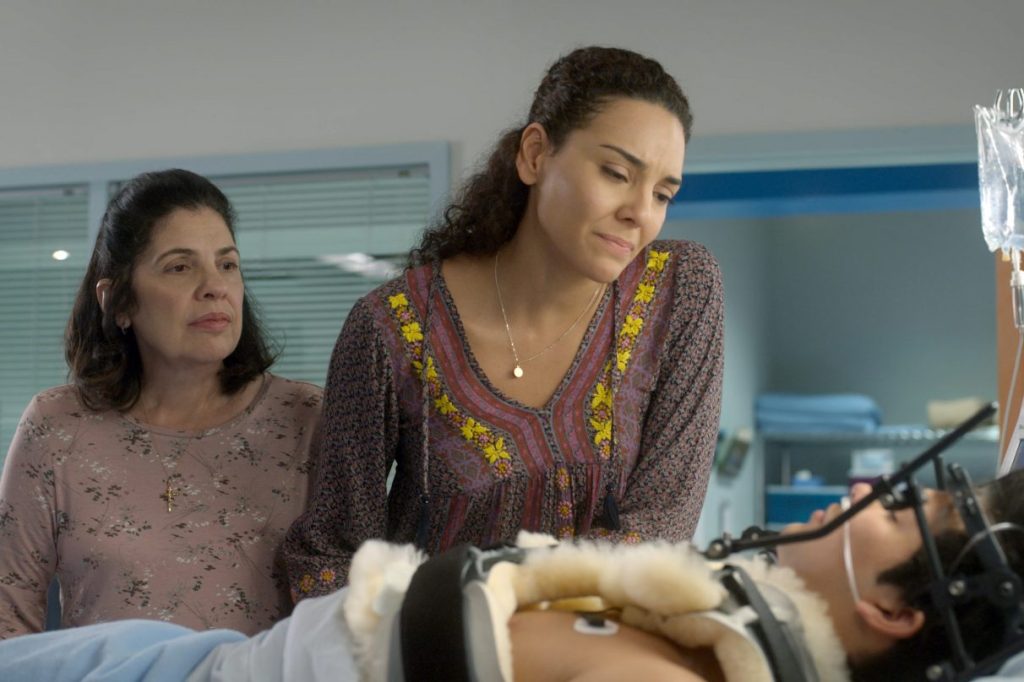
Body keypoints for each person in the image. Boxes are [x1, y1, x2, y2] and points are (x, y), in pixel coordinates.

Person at [283, 45, 724, 597]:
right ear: (535, 155)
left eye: (663, 194)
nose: (640, 212)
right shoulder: (391, 328)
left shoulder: (679, 289)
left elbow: (661, 527)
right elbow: (330, 557)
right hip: (436, 638)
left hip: (603, 639)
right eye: (616, 173)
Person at [2, 470, 1023, 681]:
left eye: (903, 511)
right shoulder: (710, 629)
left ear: (893, 611)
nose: (865, 491)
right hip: (211, 658)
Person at [0, 169, 322, 638]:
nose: (215, 286)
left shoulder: (308, 420)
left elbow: (348, 613)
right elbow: (7, 619)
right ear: (118, 301)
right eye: (179, 267)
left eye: (227, 264)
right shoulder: (56, 426)